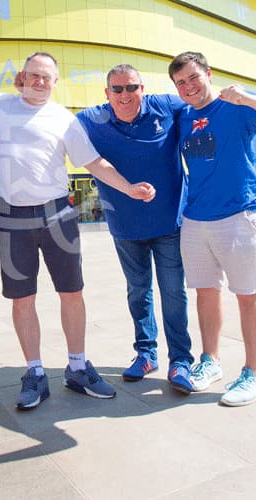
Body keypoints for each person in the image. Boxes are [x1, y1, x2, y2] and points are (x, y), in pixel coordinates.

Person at [0, 52, 156, 411]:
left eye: (47, 77)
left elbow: (94, 163)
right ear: (21, 76)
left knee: (72, 292)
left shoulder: (64, 119)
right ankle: (34, 373)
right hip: (11, 217)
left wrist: (128, 188)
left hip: (57, 215)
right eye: (33, 75)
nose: (40, 82)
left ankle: (77, 367)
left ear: (56, 81)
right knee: (22, 298)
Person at [168, 51, 256, 407]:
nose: (189, 87)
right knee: (205, 292)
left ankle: (254, 375)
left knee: (248, 293)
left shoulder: (236, 107)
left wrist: (246, 97)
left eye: (194, 77)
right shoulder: (183, 117)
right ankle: (209, 361)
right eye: (181, 83)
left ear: (209, 73)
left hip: (239, 215)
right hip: (195, 219)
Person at [76, 64, 196, 394]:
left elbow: (206, 110)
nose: (125, 95)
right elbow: (51, 136)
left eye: (132, 88)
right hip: (126, 227)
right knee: (138, 291)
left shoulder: (168, 107)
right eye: (118, 89)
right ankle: (146, 353)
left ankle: (181, 361)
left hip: (170, 222)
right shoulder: (90, 120)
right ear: (107, 93)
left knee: (174, 292)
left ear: (143, 88)